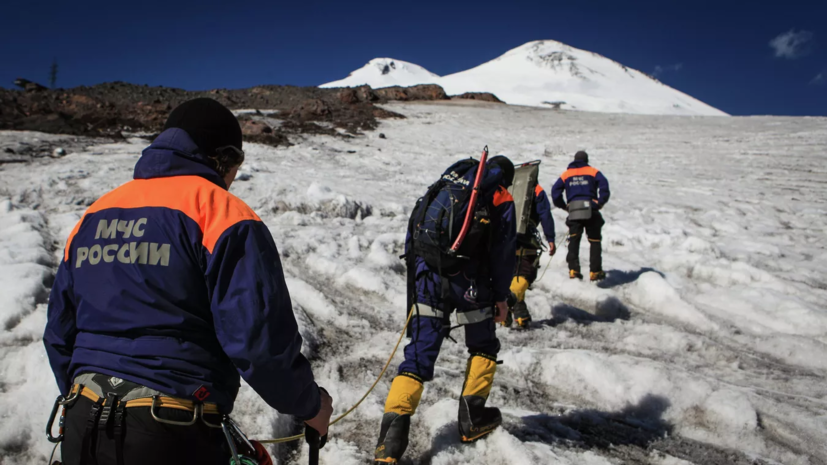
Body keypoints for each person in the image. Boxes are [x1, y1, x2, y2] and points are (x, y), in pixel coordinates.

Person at [43, 98, 333, 465]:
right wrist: (310, 405)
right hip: (171, 428)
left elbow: (59, 333)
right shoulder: (223, 214)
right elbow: (259, 341)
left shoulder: (95, 215)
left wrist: (83, 398)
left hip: (83, 420)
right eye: (237, 164)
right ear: (221, 157)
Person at [373, 156, 516, 464]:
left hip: (428, 273)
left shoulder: (449, 182)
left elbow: (417, 227)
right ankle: (472, 419)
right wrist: (502, 298)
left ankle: (389, 446)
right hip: (470, 281)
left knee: (417, 355)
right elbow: (504, 252)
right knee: (484, 345)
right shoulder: (500, 194)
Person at [551, 150, 610, 281]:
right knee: (594, 241)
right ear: (586, 160)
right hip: (591, 209)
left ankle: (574, 270)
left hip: (574, 210)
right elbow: (604, 186)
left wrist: (564, 206)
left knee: (574, 239)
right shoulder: (593, 172)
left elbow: (555, 191)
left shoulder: (567, 174)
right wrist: (599, 203)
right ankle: (595, 271)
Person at [505, 181, 556, 328]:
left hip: (504, 236)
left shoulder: (508, 187)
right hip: (526, 236)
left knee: (511, 276)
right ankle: (507, 302)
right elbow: (545, 213)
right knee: (525, 273)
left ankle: (521, 316)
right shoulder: (536, 189)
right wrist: (550, 238)